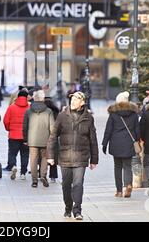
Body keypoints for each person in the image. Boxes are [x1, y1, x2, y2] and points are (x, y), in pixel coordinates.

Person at [47, 92, 98, 220]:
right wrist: (50, 155)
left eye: (76, 99)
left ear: (82, 103)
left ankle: (77, 210)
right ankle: (68, 207)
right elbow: (53, 136)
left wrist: (94, 159)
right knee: (66, 185)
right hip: (64, 157)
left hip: (81, 157)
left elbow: (93, 139)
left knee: (78, 184)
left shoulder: (88, 118)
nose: (73, 101)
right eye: (72, 99)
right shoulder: (62, 116)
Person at [102, 91, 140, 198]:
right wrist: (136, 140)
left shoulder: (113, 114)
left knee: (117, 166)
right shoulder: (133, 114)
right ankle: (128, 185)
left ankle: (119, 191)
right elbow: (137, 130)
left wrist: (104, 144)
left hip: (116, 143)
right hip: (128, 143)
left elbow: (108, 130)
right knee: (127, 166)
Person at [23, 90, 55, 188]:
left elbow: (25, 126)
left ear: (35, 98)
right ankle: (43, 175)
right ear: (43, 99)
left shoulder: (28, 111)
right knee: (44, 158)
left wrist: (25, 139)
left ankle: (34, 180)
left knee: (33, 159)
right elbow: (52, 127)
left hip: (32, 140)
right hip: (45, 139)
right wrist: (52, 139)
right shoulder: (49, 111)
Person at [3, 89, 30, 180]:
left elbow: (6, 121)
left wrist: (9, 129)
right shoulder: (30, 107)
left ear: (18, 97)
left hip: (13, 135)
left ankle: (13, 166)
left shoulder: (11, 107)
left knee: (12, 153)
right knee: (25, 155)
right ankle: (23, 173)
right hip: (26, 136)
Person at [44, 96, 60, 183]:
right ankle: (53, 176)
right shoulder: (57, 113)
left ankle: (42, 173)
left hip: (44, 137)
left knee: (43, 156)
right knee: (53, 156)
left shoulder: (43, 113)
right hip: (54, 138)